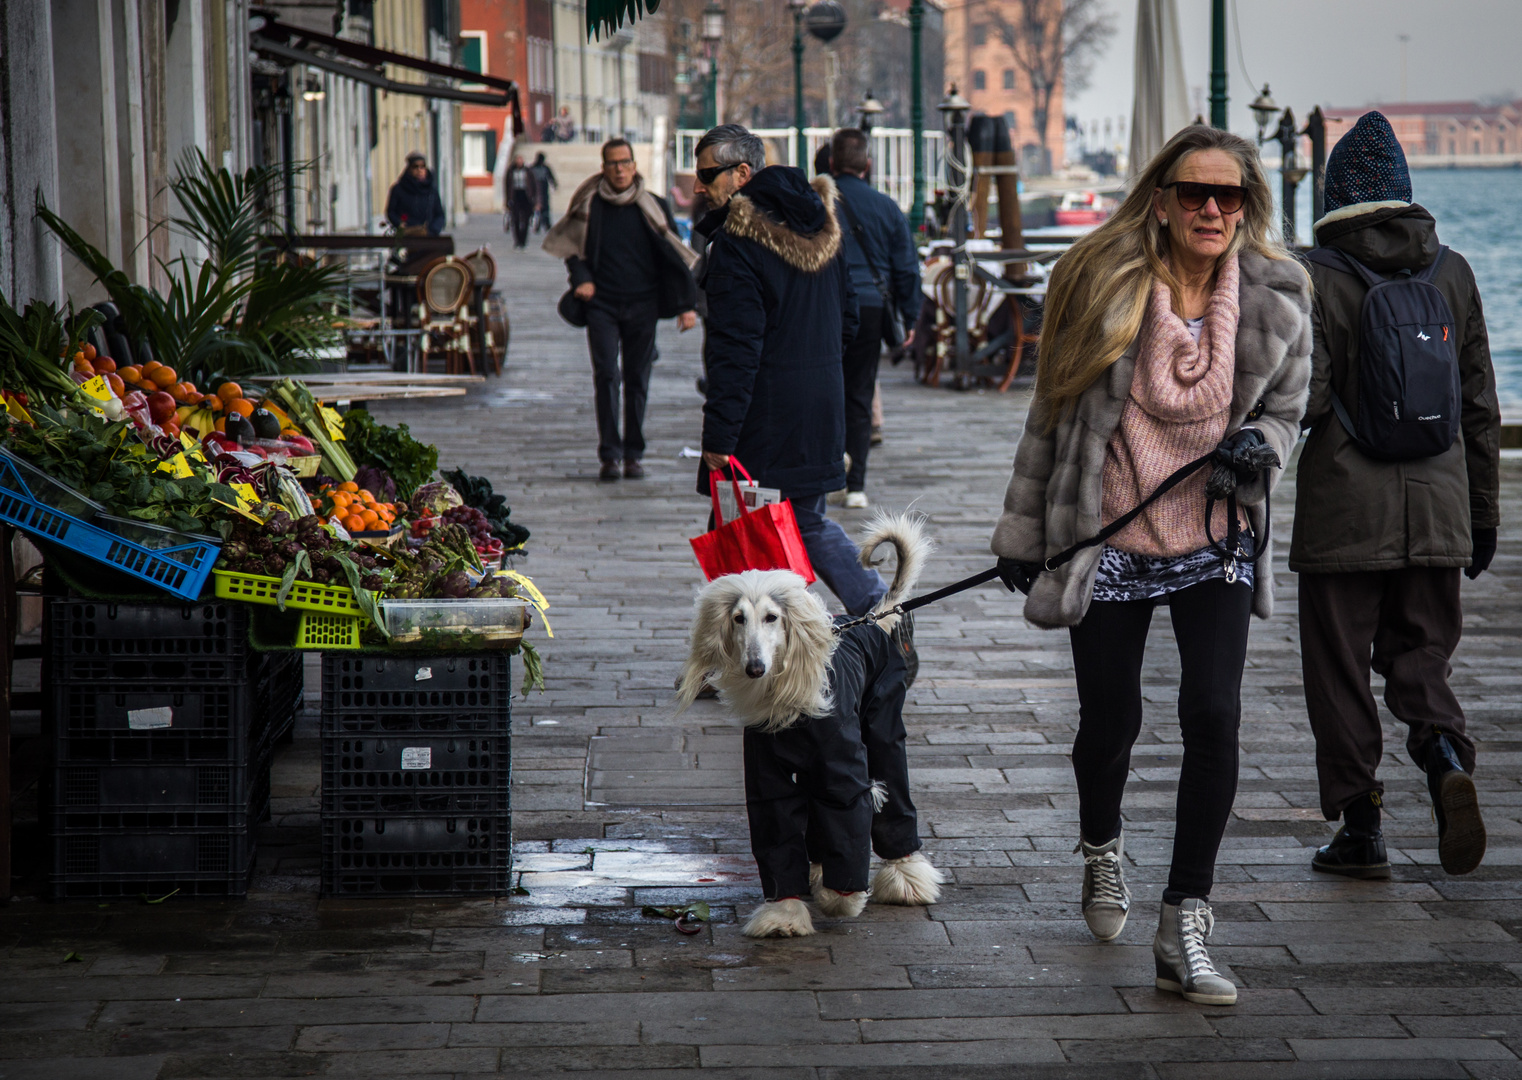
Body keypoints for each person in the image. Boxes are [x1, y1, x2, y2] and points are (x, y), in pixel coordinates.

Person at [990, 126, 1312, 1006]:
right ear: (1162, 199)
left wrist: (1261, 443)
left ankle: (1184, 922)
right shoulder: (1098, 282)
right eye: (1195, 192)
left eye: (1231, 195)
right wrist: (1023, 535)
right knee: (1110, 722)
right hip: (1112, 536)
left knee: (1214, 714)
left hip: (1217, 538)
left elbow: (1290, 408)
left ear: (1249, 204)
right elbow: (1052, 411)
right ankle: (1102, 849)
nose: (1213, 209)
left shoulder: (1281, 293)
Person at [1291, 111, 1501, 881]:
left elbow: (1306, 401)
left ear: (1335, 195)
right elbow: (1479, 406)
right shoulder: (1455, 271)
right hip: (1441, 502)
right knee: (1422, 656)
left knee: (1340, 668)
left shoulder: (1315, 274)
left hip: (1346, 510)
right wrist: (1482, 520)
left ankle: (1362, 829)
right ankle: (1445, 755)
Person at [695, 155, 896, 623]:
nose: (702, 187)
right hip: (821, 403)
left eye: (708, 176)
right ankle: (735, 653)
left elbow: (735, 350)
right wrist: (815, 364)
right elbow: (848, 320)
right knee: (749, 529)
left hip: (765, 417)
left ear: (743, 181)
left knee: (781, 525)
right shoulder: (826, 237)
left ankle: (881, 608)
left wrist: (719, 435)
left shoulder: (740, 244)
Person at [543, 138, 698, 480]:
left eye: (624, 162)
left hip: (644, 304)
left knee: (638, 379)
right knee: (607, 376)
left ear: (634, 165)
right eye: (612, 163)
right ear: (604, 167)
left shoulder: (652, 205)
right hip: (602, 304)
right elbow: (573, 249)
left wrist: (688, 306)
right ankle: (610, 455)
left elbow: (672, 255)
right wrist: (581, 278)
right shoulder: (590, 204)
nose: (619, 169)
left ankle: (633, 454)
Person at [830, 128, 920, 509]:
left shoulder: (816, 202)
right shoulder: (886, 207)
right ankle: (856, 486)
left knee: (824, 387)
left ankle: (828, 467)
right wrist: (911, 317)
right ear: (867, 165)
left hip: (827, 305)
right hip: (870, 306)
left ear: (832, 164)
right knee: (861, 392)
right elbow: (907, 269)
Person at [688, 125, 764, 398]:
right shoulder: (714, 223)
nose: (698, 187)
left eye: (707, 176)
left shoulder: (763, 235)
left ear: (742, 173)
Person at [385, 151, 446, 236]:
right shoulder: (398, 189)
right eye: (415, 167)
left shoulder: (431, 190)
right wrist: (399, 224)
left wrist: (433, 229)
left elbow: (439, 214)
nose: (419, 170)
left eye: (422, 167)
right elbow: (391, 211)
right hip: (407, 234)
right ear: (409, 169)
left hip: (428, 235)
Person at [505, 155, 537, 249]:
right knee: (515, 219)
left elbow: (534, 185)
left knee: (526, 220)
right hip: (515, 196)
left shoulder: (528, 171)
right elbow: (507, 186)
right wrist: (507, 200)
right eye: (518, 160)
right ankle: (517, 240)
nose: (519, 162)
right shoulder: (511, 172)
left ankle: (523, 240)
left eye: (521, 160)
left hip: (526, 196)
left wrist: (535, 200)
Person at [530, 152, 558, 231]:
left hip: (541, 191)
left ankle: (544, 223)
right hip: (537, 191)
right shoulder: (536, 168)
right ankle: (539, 223)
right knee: (540, 208)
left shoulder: (541, 168)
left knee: (544, 209)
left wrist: (554, 184)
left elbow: (551, 177)